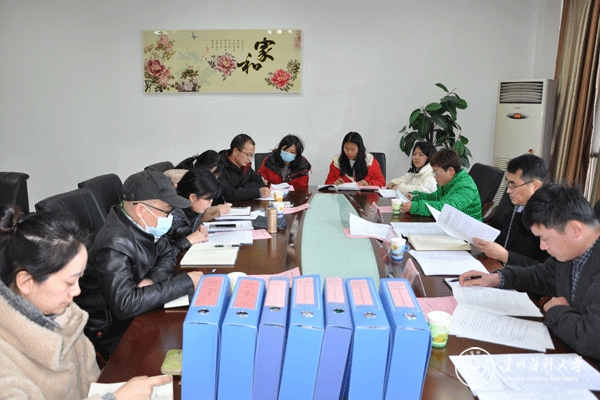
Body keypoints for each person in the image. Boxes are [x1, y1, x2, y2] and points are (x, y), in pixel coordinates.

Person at [0, 205, 172, 399]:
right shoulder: (5, 358)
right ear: (26, 282)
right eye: (69, 282)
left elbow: (92, 387)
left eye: (79, 279)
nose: (77, 291)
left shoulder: (66, 315)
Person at [460, 185, 600, 363]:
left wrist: (556, 310)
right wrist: (496, 278)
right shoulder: (570, 252)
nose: (542, 247)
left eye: (545, 238)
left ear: (575, 230)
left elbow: (591, 339)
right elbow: (542, 276)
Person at [75, 171, 203, 359]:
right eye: (167, 211)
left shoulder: (142, 225)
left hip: (136, 312)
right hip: (112, 330)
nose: (170, 217)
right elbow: (126, 304)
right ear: (141, 210)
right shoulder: (114, 244)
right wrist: (186, 282)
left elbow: (167, 253)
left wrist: (152, 279)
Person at [473, 153, 550, 266]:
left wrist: (504, 255)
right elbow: (504, 239)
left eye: (513, 186)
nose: (508, 191)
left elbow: (544, 270)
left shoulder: (550, 219)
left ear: (535, 186)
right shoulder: (517, 207)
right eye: (508, 184)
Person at [401, 148, 482, 221]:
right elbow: (435, 197)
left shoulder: (466, 186)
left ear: (450, 171)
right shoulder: (448, 182)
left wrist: (415, 207)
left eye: (436, 173)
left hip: (466, 230)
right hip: (451, 224)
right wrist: (415, 197)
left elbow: (446, 209)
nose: (435, 176)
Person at [167, 167, 222, 252]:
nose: (211, 202)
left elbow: (191, 220)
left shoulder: (195, 207)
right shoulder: (169, 214)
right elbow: (160, 255)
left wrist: (200, 225)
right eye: (208, 199)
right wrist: (187, 241)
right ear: (193, 197)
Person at [218, 134, 271, 202]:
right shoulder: (219, 166)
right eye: (248, 155)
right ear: (235, 151)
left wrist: (240, 191)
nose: (249, 159)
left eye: (251, 155)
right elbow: (227, 194)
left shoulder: (245, 166)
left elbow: (259, 181)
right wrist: (258, 192)